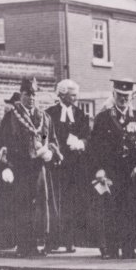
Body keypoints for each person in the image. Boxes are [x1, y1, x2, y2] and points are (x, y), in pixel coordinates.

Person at [0, 77, 60, 257]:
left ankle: (39, 243)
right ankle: (23, 245)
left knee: (40, 206)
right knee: (21, 205)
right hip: (19, 168)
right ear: (21, 95)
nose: (31, 98)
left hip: (39, 169)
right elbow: (3, 143)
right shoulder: (11, 117)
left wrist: (51, 153)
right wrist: (5, 166)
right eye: (27, 94)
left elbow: (52, 140)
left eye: (33, 94)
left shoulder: (45, 117)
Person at [89, 78, 136, 259]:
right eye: (119, 95)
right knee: (110, 210)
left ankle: (129, 248)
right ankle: (111, 249)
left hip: (131, 172)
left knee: (130, 210)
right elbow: (94, 147)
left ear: (131, 97)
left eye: (126, 96)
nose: (123, 99)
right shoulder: (103, 119)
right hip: (110, 172)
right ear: (113, 95)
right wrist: (99, 170)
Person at [45, 79, 90, 253]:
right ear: (62, 95)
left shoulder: (80, 114)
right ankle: (52, 240)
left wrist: (81, 143)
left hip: (74, 166)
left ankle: (70, 240)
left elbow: (88, 136)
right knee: (55, 202)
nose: (75, 98)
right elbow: (43, 136)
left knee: (72, 202)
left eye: (76, 95)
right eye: (72, 95)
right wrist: (50, 148)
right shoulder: (49, 114)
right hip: (55, 165)